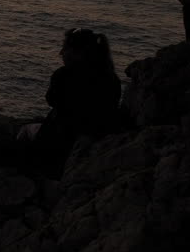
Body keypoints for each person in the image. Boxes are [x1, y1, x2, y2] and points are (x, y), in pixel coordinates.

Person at [28, 28, 122, 176]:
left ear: (77, 52)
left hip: (59, 143)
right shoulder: (112, 79)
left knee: (25, 133)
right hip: (96, 141)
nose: (61, 53)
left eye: (64, 48)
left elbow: (52, 100)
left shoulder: (64, 75)